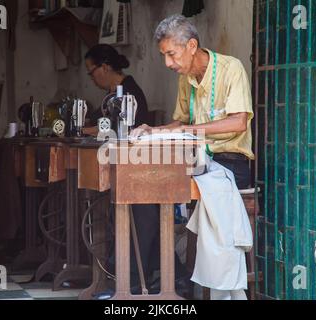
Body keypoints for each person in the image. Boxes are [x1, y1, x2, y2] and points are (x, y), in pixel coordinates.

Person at [132, 14, 255, 300]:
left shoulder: (230, 69)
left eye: (171, 54)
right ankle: (168, 277)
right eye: (164, 55)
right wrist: (153, 130)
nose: (167, 63)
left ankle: (200, 284)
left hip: (230, 163)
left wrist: (191, 130)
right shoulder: (186, 80)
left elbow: (239, 122)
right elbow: (180, 123)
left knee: (161, 189)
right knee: (143, 189)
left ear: (191, 46)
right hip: (198, 161)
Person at [84, 44, 189, 298]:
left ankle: (143, 276)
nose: (91, 77)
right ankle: (151, 273)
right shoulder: (114, 94)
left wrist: (84, 130)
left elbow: (117, 129)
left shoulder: (129, 93)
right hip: (130, 162)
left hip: (139, 165)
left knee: (144, 216)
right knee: (141, 216)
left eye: (92, 71)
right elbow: (100, 123)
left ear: (105, 67)